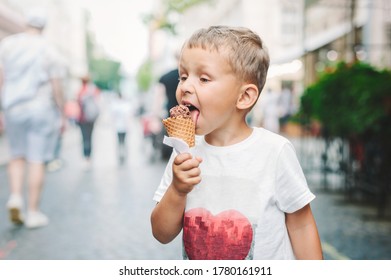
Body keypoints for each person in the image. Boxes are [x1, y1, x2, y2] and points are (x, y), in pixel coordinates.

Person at [151, 26, 323, 260]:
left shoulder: (274, 151)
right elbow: (161, 233)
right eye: (183, 76)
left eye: (203, 78)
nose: (185, 86)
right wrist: (177, 190)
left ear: (244, 97)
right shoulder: (184, 150)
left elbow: (301, 225)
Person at [0, 8, 66, 228]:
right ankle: (33, 212)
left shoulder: (8, 45)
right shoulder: (49, 49)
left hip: (13, 107)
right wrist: (62, 111)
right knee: (36, 159)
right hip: (40, 108)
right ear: (44, 27)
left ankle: (16, 196)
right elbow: (57, 86)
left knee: (16, 155)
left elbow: (2, 78)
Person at [76, 75, 100, 170]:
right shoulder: (93, 90)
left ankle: (86, 157)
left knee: (84, 138)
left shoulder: (81, 91)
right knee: (89, 138)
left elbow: (78, 103)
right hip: (91, 119)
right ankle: (89, 157)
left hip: (82, 119)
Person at [110, 91, 133, 165]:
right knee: (124, 141)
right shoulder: (126, 105)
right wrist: (128, 126)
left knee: (119, 141)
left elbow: (113, 117)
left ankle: (120, 154)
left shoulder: (115, 105)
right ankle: (123, 154)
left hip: (118, 127)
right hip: (124, 127)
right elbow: (128, 117)